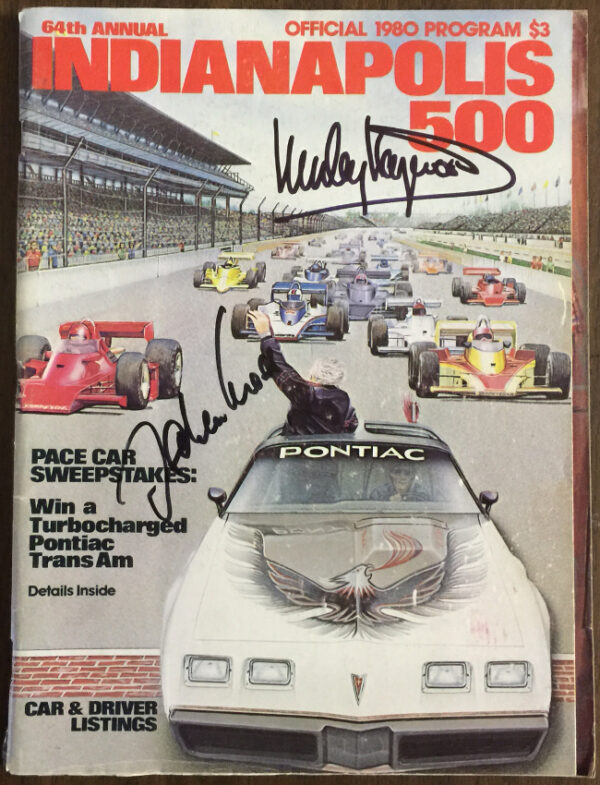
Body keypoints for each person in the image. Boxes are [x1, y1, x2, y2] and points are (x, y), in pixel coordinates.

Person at [248, 309, 358, 435]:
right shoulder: (344, 399)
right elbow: (352, 425)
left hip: (297, 444)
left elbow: (279, 367)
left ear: (313, 377)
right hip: (330, 445)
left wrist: (266, 335)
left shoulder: (307, 394)